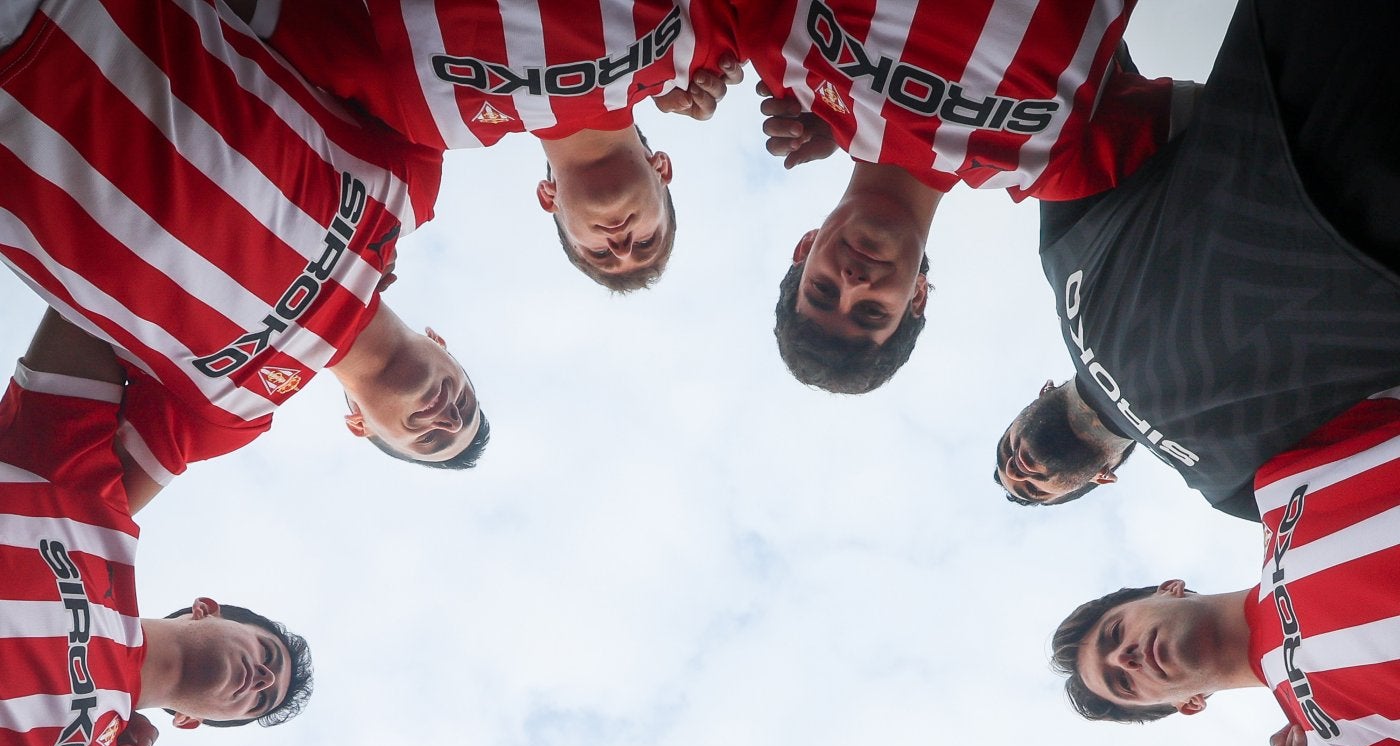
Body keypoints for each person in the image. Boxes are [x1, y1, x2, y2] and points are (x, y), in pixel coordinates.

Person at [0, 0, 488, 502]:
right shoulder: (410, 187)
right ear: (442, 342)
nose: (448, 418)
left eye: (432, 440)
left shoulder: (229, 414)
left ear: (359, 425)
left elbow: (75, 510)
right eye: (467, 406)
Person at [995, 0, 1400, 518]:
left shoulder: (1063, 256)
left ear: (1039, 391)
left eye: (1005, 452)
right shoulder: (1237, 491)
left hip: (1304, 74)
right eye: (1031, 490)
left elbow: (1079, 87)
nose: (1016, 470)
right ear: (1104, 477)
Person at [0, 311, 313, 746]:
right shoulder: (92, 510)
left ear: (194, 723)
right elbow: (93, 301)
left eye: (262, 699)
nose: (263, 678)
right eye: (267, 653)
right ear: (205, 607)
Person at [737, 0, 1185, 392]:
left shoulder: (786, 60)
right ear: (917, 296)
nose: (852, 284)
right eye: (871, 312)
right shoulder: (1052, 167)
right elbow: (1234, 118)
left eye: (823, 289)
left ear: (804, 248)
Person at [1050, 395, 1400, 746]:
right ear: (1187, 705)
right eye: (1123, 682)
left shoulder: (1284, 485)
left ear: (1168, 588)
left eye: (1114, 634)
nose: (1125, 658)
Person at [234, 0, 743, 292]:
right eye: (648, 243)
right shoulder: (699, 47)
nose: (622, 243)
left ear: (549, 201)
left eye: (601, 255)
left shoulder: (430, 123)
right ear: (663, 169)